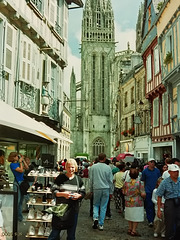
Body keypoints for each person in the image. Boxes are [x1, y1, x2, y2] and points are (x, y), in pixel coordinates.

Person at [48, 158, 85, 240]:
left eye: (72, 167)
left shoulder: (78, 180)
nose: (70, 169)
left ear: (75, 167)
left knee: (71, 235)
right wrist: (62, 194)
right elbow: (53, 190)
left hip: (73, 210)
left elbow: (83, 192)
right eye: (68, 167)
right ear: (65, 167)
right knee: (54, 233)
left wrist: (78, 196)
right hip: (60, 209)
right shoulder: (60, 178)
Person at [89, 153, 113, 231]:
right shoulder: (108, 168)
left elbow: (91, 180)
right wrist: (111, 192)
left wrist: (91, 190)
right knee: (103, 206)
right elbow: (110, 181)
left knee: (95, 204)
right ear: (105, 158)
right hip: (106, 188)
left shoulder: (93, 167)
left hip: (96, 188)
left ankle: (95, 217)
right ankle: (101, 224)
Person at [156, 164, 180, 240]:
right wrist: (159, 209)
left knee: (179, 223)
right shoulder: (165, 182)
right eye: (174, 172)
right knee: (169, 223)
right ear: (169, 172)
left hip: (179, 201)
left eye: (177, 172)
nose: (176, 173)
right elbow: (159, 195)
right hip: (170, 203)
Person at [123, 168, 146, 236]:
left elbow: (123, 191)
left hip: (128, 201)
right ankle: (134, 230)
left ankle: (130, 228)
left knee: (129, 215)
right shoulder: (139, 183)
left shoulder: (126, 182)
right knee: (136, 216)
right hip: (137, 201)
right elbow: (142, 193)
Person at [8, 152, 28, 222]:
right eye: (16, 156)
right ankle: (17, 217)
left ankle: (20, 217)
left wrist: (23, 161)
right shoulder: (12, 165)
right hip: (17, 183)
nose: (17, 157)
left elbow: (27, 167)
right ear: (13, 157)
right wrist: (20, 162)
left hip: (22, 182)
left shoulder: (19, 163)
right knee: (17, 201)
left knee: (21, 201)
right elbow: (21, 170)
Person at [141, 158, 161, 227]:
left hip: (156, 190)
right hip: (148, 190)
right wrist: (143, 190)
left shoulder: (157, 171)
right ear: (148, 163)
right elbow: (143, 181)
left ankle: (156, 219)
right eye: (151, 162)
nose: (152, 163)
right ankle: (150, 220)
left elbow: (159, 180)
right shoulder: (145, 171)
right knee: (149, 205)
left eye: (153, 162)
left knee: (156, 205)